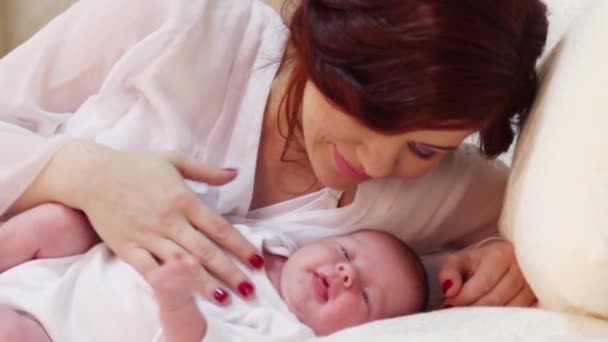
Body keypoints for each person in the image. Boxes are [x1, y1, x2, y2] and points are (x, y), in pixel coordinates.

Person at [0, 0, 548, 312]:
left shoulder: (447, 192)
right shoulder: (176, 26)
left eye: (424, 147)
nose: (380, 165)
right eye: (372, 112)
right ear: (328, 41)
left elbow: (533, 236)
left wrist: (509, 260)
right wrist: (83, 174)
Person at [0, 203, 428, 341]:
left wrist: (178, 304)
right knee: (58, 221)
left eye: (367, 297)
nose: (345, 273)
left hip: (59, 331)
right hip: (65, 272)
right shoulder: (264, 240)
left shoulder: (282, 331)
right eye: (345, 252)